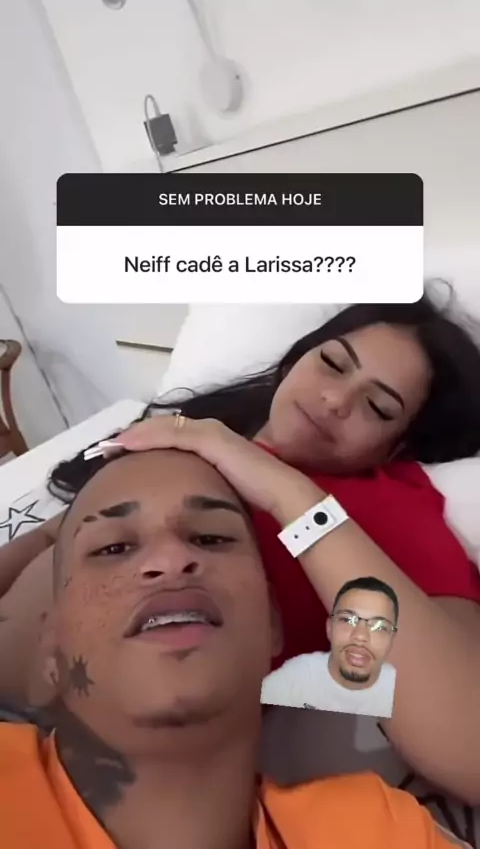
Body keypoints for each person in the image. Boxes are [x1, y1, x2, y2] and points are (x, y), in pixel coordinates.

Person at [1, 296, 480, 805]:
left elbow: (468, 743)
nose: (335, 399)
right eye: (332, 363)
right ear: (297, 357)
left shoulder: (386, 507)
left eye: (377, 407)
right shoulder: (199, 428)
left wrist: (282, 489)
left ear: (397, 445)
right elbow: (53, 535)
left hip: (66, 767)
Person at [0, 446, 469, 848]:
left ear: (272, 625)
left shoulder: (375, 832)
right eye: (114, 548)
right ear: (50, 647)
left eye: (212, 538)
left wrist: (292, 495)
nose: (172, 559)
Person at [261, 576, 398, 717]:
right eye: (348, 620)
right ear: (329, 628)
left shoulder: (401, 691)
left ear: (392, 639)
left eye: (379, 626)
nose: (360, 636)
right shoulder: (296, 677)